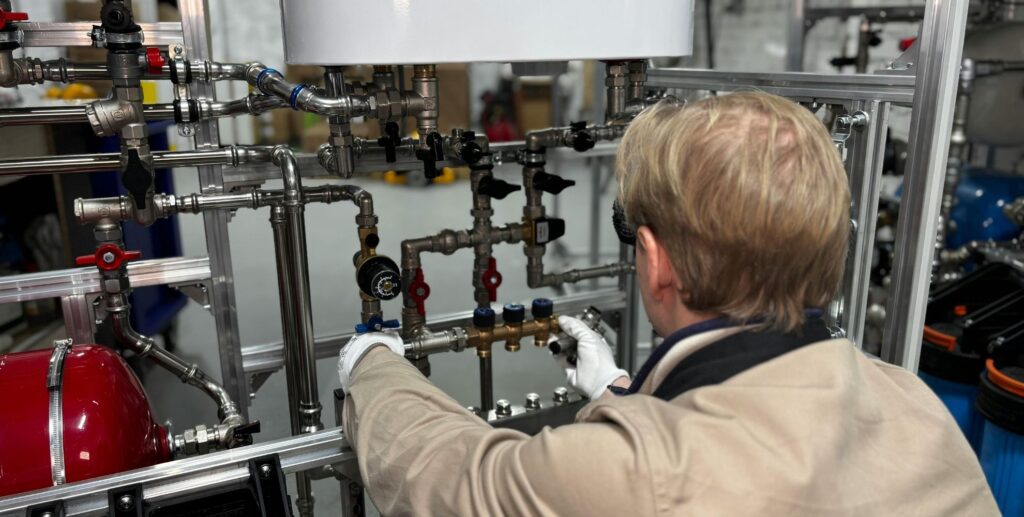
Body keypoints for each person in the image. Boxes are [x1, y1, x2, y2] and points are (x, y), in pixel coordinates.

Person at [336, 92, 997, 516]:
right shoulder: (915, 403)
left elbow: (448, 476)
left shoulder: (633, 475)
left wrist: (372, 366)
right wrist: (622, 393)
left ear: (655, 261)